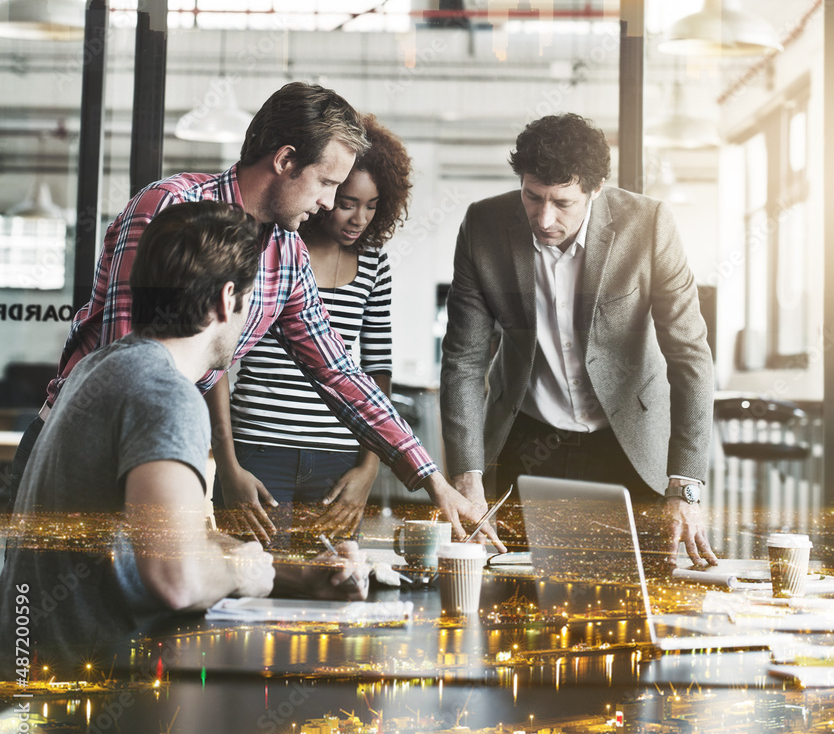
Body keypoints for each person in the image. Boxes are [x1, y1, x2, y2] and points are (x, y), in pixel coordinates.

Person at [6, 82, 500, 550]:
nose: (329, 202)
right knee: (41, 629)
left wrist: (431, 479)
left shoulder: (286, 253)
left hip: (154, 455)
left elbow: (337, 371)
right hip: (76, 450)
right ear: (286, 160)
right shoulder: (170, 207)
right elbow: (126, 362)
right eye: (326, 182)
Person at [0, 202, 369, 674]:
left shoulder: (107, 366)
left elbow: (174, 542)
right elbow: (175, 578)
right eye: (250, 300)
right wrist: (244, 571)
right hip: (92, 713)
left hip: (42, 682)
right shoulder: (164, 394)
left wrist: (294, 573)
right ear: (226, 298)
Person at [439, 113, 717, 569]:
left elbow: (689, 357)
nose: (544, 218)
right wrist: (466, 476)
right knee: (520, 605)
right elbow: (464, 362)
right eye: (532, 197)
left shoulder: (648, 226)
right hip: (528, 443)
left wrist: (685, 484)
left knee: (635, 602)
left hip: (629, 444)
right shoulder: (483, 226)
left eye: (562, 202)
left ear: (596, 188)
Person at [212, 114, 410, 548]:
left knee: (332, 586)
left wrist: (368, 469)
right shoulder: (270, 249)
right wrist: (227, 466)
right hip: (259, 448)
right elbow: (217, 362)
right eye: (346, 201)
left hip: (338, 460)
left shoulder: (374, 264)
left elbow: (372, 369)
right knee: (251, 583)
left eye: (373, 205)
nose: (359, 218)